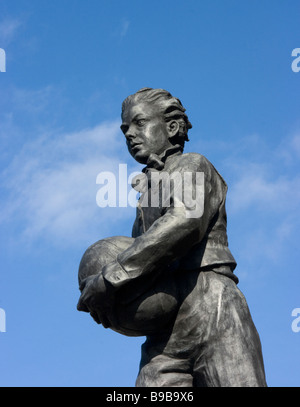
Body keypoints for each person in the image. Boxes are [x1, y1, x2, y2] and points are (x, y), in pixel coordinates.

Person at [77, 88, 267, 387]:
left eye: (139, 123)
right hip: (165, 328)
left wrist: (111, 279)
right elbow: (147, 260)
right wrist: (117, 304)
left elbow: (184, 223)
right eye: (125, 128)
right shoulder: (146, 195)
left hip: (212, 306)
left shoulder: (192, 165)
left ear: (173, 127)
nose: (130, 134)